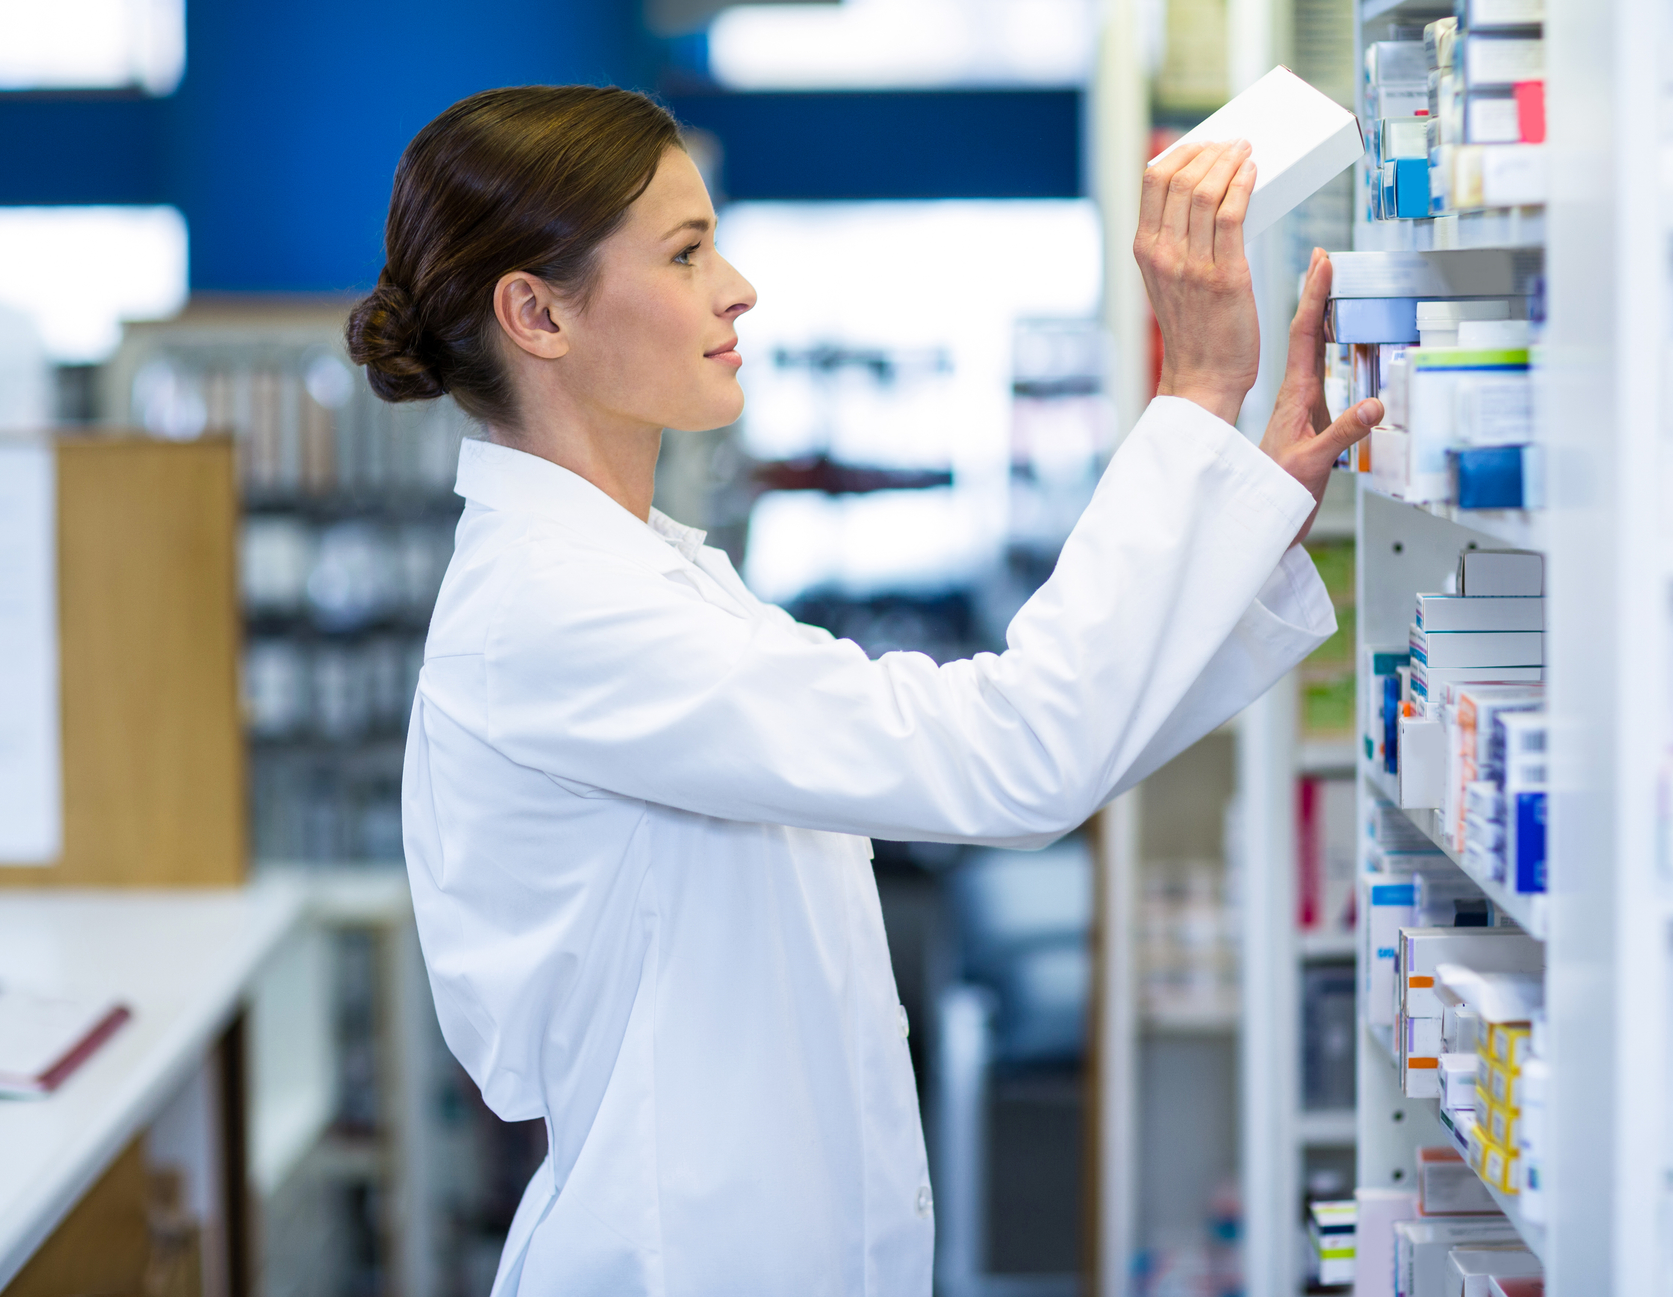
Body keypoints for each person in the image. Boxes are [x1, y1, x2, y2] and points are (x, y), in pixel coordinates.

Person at [347, 84, 1383, 1297]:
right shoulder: (562, 612)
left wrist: (1238, 519)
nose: (738, 288)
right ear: (536, 313)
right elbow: (1010, 756)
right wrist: (1196, 398)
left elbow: (1035, 747)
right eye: (686, 254)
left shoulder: (640, 575)